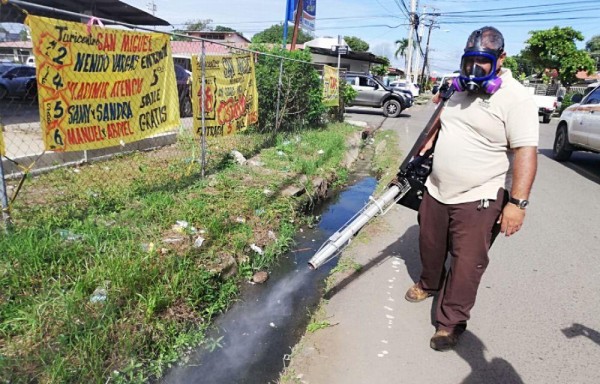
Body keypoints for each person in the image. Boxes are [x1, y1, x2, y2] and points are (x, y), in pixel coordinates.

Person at [404, 26, 539, 351]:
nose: (474, 70)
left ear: (500, 60)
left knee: (467, 263)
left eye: (482, 62)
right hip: (437, 189)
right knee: (430, 243)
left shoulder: (516, 98)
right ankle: (430, 282)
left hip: (481, 195)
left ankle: (450, 323)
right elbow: (443, 123)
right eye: (469, 62)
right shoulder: (457, 88)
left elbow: (526, 152)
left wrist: (517, 203)